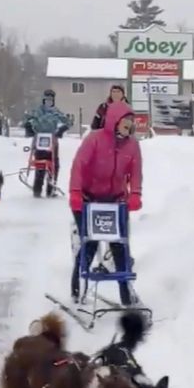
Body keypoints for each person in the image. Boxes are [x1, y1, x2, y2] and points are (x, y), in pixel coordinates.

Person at [67, 102, 143, 306]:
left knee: (120, 247)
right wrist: (75, 192)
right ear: (114, 122)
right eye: (125, 122)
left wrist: (135, 194)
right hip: (88, 199)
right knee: (89, 243)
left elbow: (135, 172)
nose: (129, 126)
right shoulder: (95, 140)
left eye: (131, 122)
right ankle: (77, 289)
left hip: (116, 200)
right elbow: (79, 165)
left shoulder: (132, 145)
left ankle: (125, 294)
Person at [23, 89, 70, 197]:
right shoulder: (37, 111)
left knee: (53, 164)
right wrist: (28, 126)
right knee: (40, 163)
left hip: (52, 140)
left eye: (51, 99)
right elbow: (27, 119)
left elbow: (67, 121)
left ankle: (51, 188)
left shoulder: (56, 112)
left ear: (53, 100)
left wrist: (61, 129)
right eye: (46, 99)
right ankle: (37, 188)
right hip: (39, 139)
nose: (48, 101)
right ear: (43, 99)